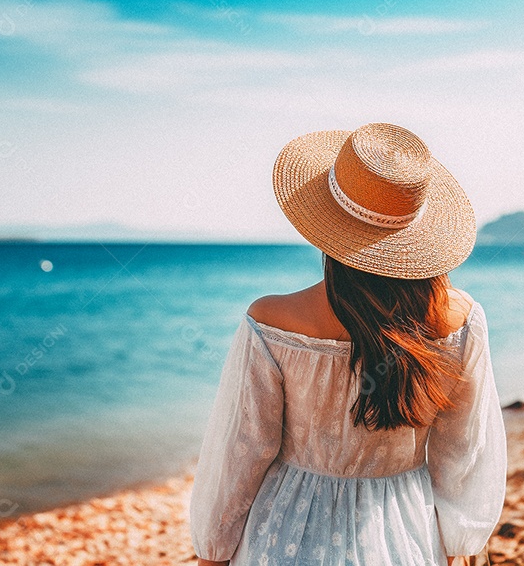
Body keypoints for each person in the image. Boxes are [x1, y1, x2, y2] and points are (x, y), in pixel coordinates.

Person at [189, 123, 507, 565]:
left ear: (327, 228)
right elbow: (464, 453)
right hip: (403, 535)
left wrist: (212, 552)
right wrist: (457, 546)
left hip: (283, 536)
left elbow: (240, 455)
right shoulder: (459, 322)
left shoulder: (271, 322)